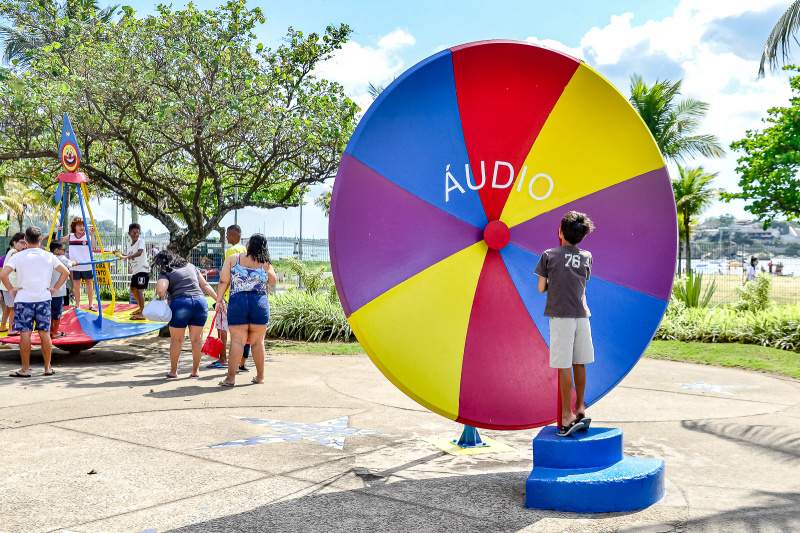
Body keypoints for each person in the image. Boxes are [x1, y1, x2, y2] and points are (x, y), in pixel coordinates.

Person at [535, 211, 595, 437]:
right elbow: (580, 282)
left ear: (560, 232)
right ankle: (580, 407)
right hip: (582, 315)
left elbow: (541, 288)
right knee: (580, 362)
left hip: (561, 317)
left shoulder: (548, 255)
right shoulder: (587, 256)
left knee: (564, 365)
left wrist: (553, 282)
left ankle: (566, 414)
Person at [0, 227, 70, 377]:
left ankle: (25, 369)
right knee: (44, 333)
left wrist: (11, 289)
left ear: (25, 239)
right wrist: (55, 288)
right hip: (43, 298)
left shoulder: (18, 256)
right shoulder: (48, 256)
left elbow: (3, 274)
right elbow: (66, 272)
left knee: (25, 333)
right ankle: (47, 368)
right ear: (40, 239)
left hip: (23, 299)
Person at [215, 233, 276, 387]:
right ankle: (260, 377)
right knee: (258, 342)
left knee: (237, 341)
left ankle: (230, 379)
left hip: (238, 302)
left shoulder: (233, 259)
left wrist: (219, 299)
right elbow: (273, 281)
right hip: (259, 303)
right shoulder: (265, 263)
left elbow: (223, 280)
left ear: (249, 244)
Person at [153, 249, 218, 379]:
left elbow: (161, 290)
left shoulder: (167, 270)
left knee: (177, 340)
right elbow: (205, 285)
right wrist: (219, 300)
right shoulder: (191, 266)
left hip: (181, 303)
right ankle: (195, 371)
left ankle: (173, 371)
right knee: (196, 340)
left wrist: (161, 296)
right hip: (200, 302)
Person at [209, 224, 252, 372]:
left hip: (229, 296)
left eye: (228, 234)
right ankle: (240, 361)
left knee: (222, 328)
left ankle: (222, 359)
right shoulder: (245, 250)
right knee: (240, 331)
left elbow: (226, 276)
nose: (226, 237)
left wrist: (220, 298)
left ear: (235, 234)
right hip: (242, 296)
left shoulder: (231, 251)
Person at [118, 223, 149, 320]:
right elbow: (126, 255)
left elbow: (139, 253)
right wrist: (119, 254)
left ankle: (143, 313)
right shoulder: (129, 245)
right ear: (129, 233)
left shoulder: (141, 241)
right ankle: (141, 308)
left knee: (140, 291)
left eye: (137, 233)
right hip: (136, 272)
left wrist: (126, 256)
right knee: (133, 289)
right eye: (134, 233)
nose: (136, 234)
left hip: (143, 270)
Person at [65, 217, 95, 311]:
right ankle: (78, 305)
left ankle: (91, 304)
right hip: (75, 266)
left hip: (87, 265)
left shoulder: (87, 236)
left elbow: (93, 247)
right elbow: (60, 240)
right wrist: (58, 231)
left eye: (82, 225)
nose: (81, 227)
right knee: (76, 286)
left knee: (89, 284)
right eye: (79, 225)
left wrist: (92, 234)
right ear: (74, 227)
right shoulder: (71, 236)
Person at [1, 233, 27, 335]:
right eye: (21, 242)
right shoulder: (14, 252)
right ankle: (11, 329)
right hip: (9, 286)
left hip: (9, 286)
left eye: (25, 243)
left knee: (9, 308)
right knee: (13, 308)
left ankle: (5, 327)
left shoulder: (14, 252)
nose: (24, 245)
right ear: (14, 242)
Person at [48, 241, 75, 338]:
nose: (64, 251)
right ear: (56, 250)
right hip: (57, 292)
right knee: (57, 313)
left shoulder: (48, 257)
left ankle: (50, 330)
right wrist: (76, 262)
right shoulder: (62, 258)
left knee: (49, 312)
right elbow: (71, 263)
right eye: (63, 250)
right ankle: (55, 332)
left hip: (47, 291)